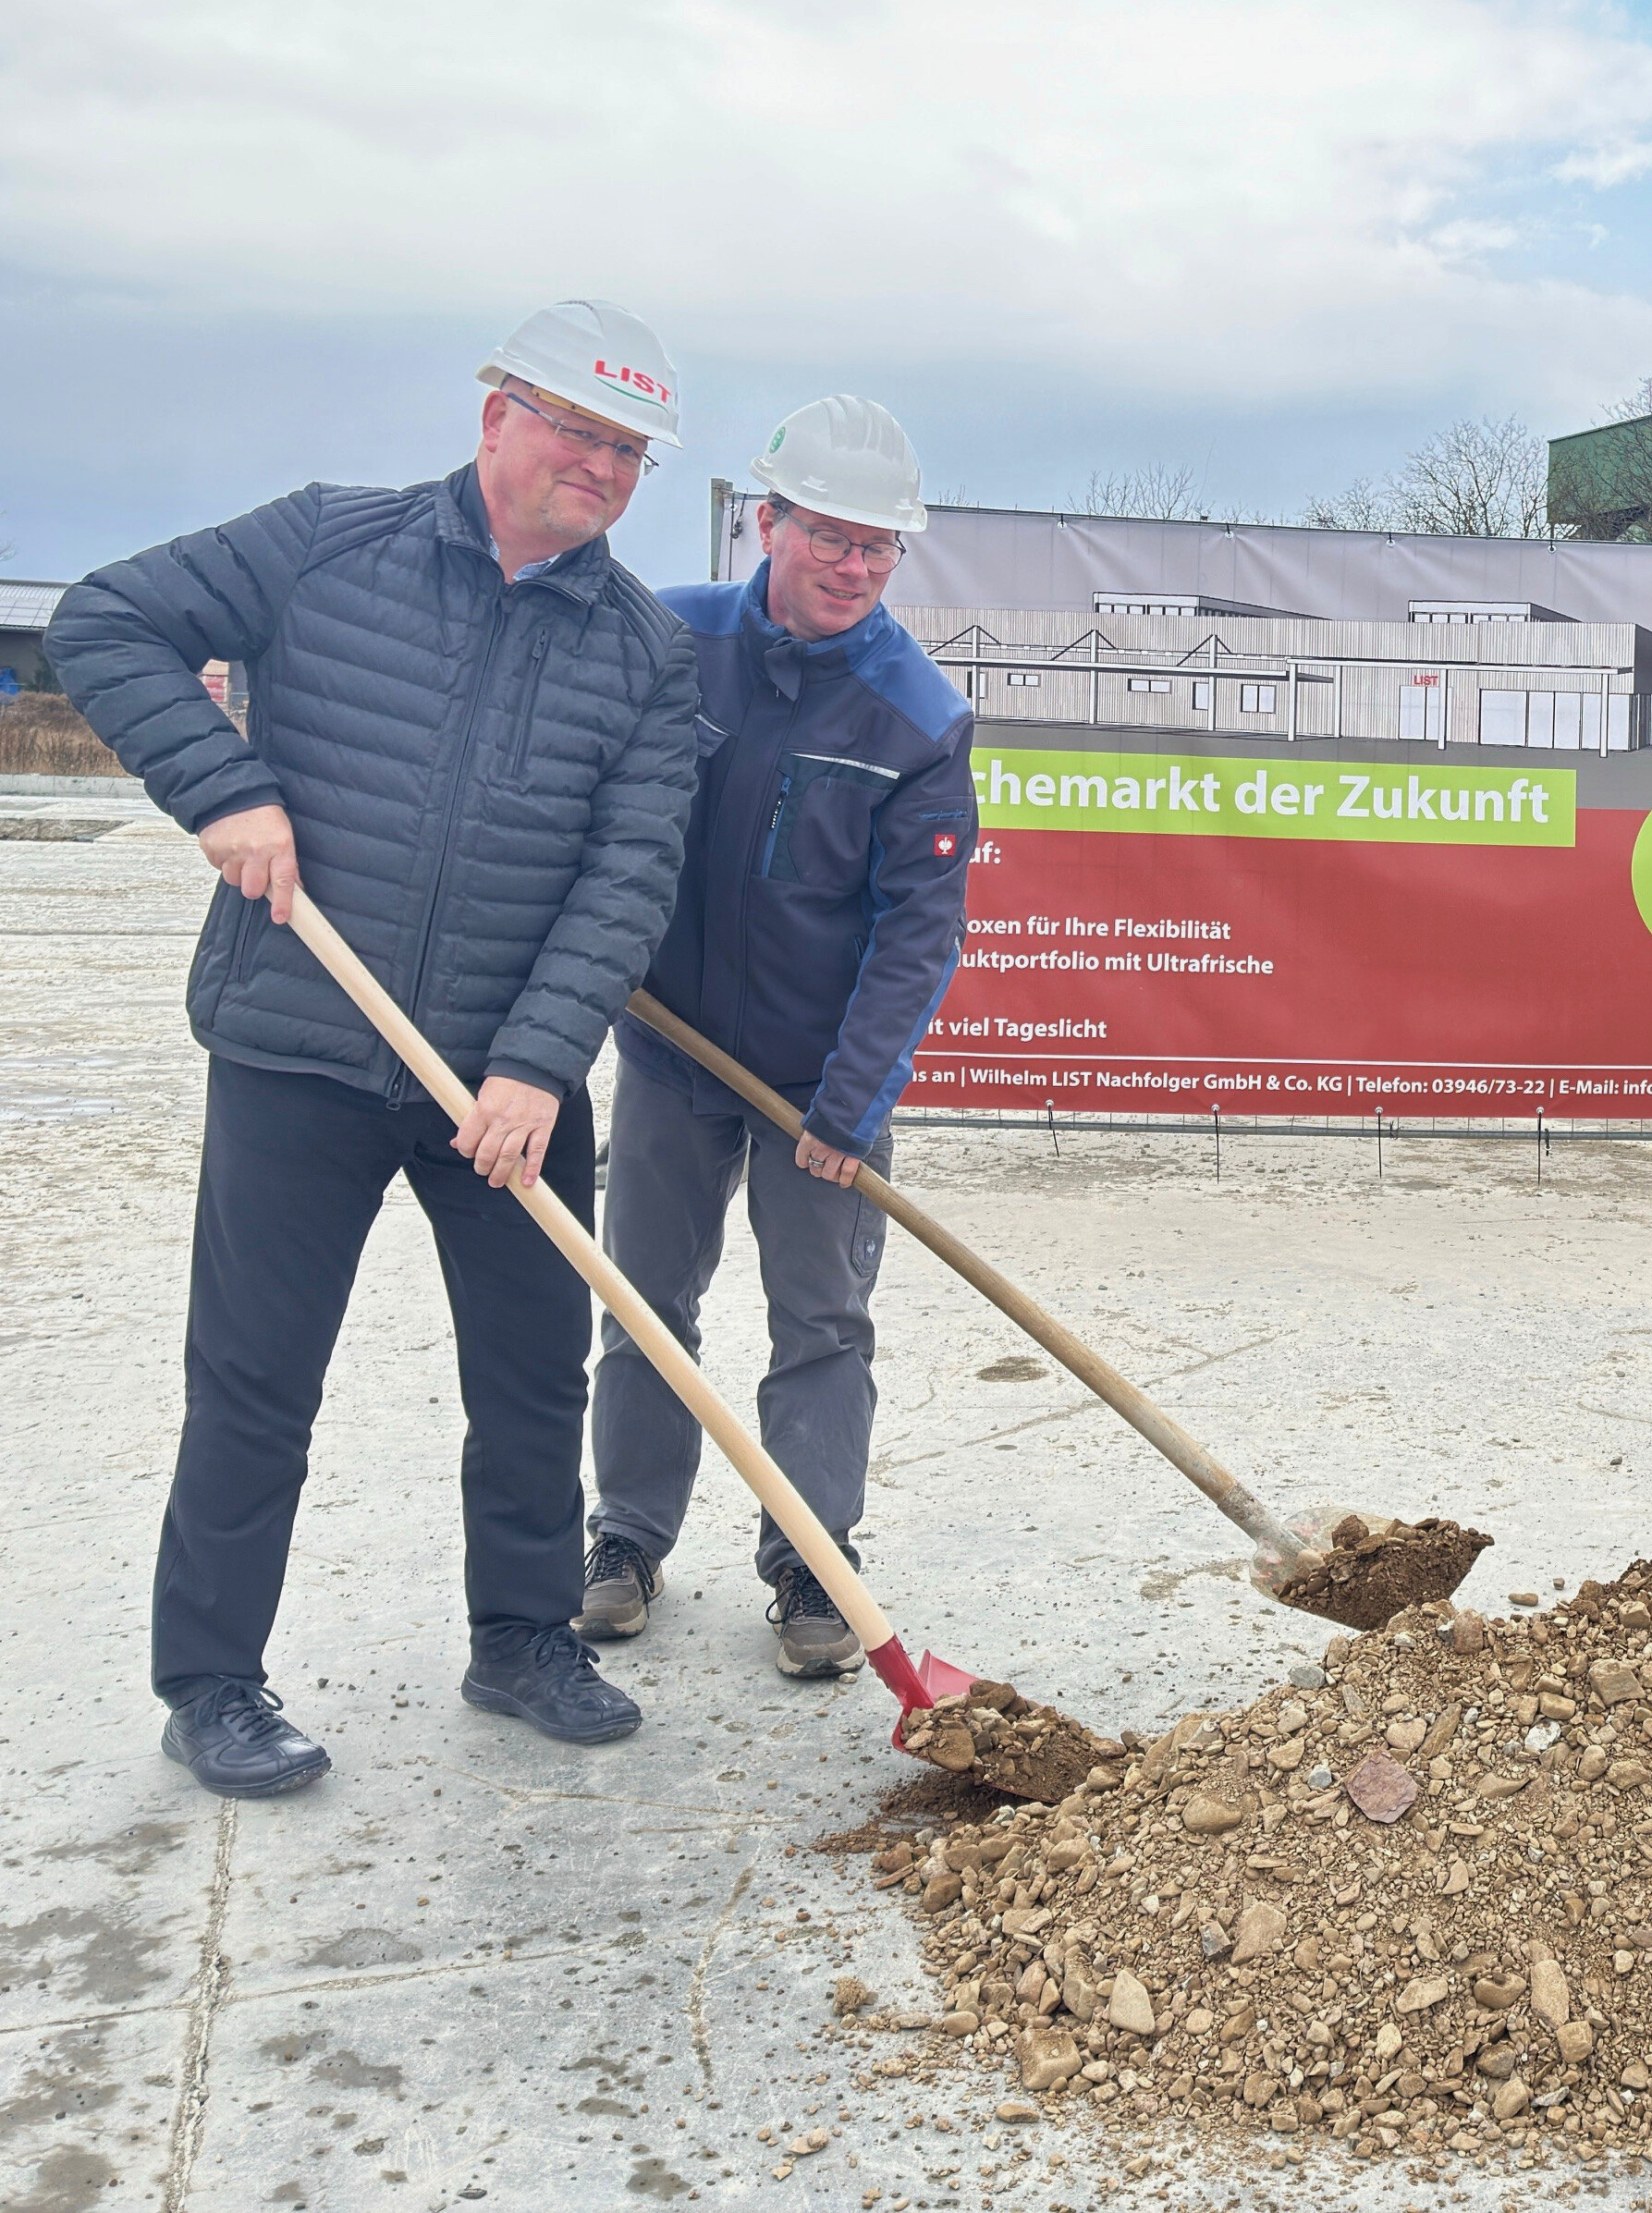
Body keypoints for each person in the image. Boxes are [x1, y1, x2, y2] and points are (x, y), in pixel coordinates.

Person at [46, 303, 698, 1799]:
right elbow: (104, 619)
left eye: (627, 448)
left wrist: (538, 1064)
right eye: (575, 429)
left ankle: (523, 1632)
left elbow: (627, 873)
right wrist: (221, 784)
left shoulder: (645, 652)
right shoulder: (328, 540)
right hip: (299, 1047)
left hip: (507, 1079)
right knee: (257, 1375)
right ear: (495, 415)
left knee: (534, 1370)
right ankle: (211, 1679)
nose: (599, 464)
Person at [581, 396, 977, 1676]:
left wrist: (849, 1107)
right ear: (771, 521)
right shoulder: (674, 643)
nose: (855, 567)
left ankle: (811, 1558)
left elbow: (917, 932)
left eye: (880, 547)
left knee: (821, 1322)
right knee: (646, 1306)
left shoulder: (918, 714)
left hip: (819, 1081)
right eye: (833, 537)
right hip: (667, 1052)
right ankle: (627, 1538)